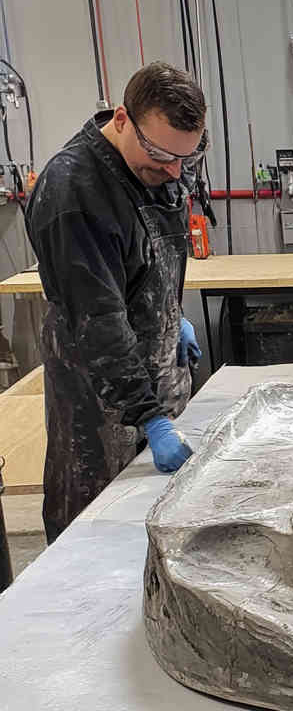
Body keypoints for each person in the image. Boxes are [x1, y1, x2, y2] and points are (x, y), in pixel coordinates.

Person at [26, 62, 206, 543]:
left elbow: (149, 263)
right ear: (122, 119)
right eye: (161, 156)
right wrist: (150, 418)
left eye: (185, 158)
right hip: (99, 393)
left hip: (158, 378)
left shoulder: (164, 160)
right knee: (97, 533)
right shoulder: (72, 192)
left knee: (165, 527)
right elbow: (98, 320)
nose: (174, 171)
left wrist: (172, 318)